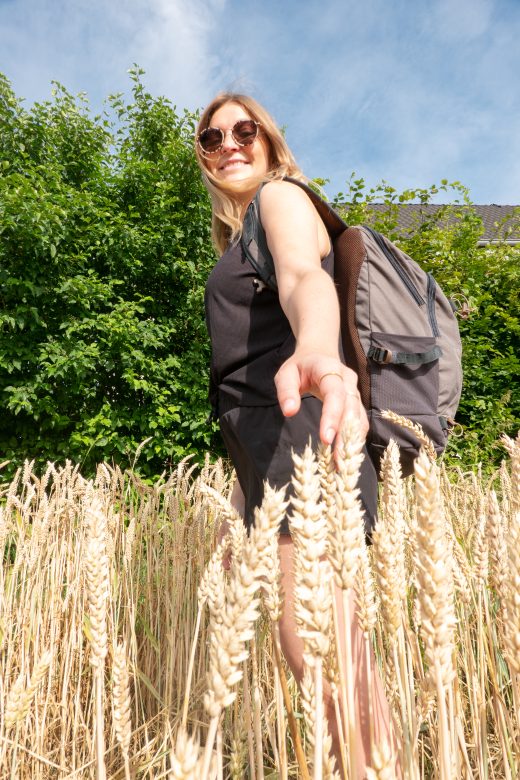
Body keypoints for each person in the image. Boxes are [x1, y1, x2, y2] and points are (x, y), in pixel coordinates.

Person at [195, 92, 395, 778]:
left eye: (244, 129)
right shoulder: (243, 232)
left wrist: (316, 347)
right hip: (272, 453)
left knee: (321, 647)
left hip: (305, 431)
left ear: (271, 142)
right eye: (211, 135)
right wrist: (242, 512)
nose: (228, 142)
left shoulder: (280, 199)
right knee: (318, 648)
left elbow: (306, 277)